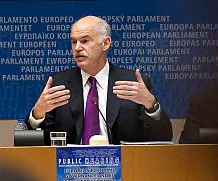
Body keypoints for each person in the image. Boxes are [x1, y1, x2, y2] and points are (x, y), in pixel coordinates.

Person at [26, 15, 172, 145]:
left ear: (106, 43)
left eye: (85, 41)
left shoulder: (133, 83)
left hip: (126, 169)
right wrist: (37, 114)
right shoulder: (58, 84)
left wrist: (151, 105)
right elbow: (33, 143)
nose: (77, 48)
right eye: (73, 42)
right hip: (69, 171)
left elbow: (163, 138)